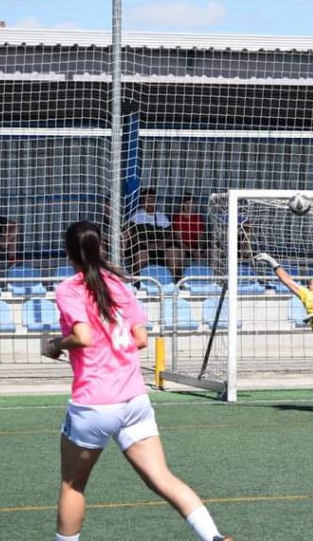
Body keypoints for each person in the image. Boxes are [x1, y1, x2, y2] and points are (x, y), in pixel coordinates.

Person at [42, 221, 231, 541]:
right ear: (100, 247)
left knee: (73, 484)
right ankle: (213, 537)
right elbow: (141, 339)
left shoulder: (69, 288)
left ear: (68, 253)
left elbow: (83, 336)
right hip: (134, 399)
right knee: (162, 477)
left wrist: (55, 346)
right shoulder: (118, 284)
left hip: (95, 402)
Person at [124, 188, 183, 277]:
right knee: (142, 253)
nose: (150, 202)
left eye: (152, 199)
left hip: (159, 248)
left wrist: (162, 244)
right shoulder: (136, 216)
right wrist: (148, 245)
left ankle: (174, 280)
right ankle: (137, 281)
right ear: (142, 201)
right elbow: (132, 235)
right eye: (147, 200)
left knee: (173, 251)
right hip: (143, 246)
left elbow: (170, 235)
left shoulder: (162, 217)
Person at [172, 193, 206, 263]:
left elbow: (201, 237)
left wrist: (198, 250)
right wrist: (191, 251)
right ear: (182, 204)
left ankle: (215, 273)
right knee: (180, 254)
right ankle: (179, 273)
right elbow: (179, 240)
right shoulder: (177, 218)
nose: (189, 206)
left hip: (197, 249)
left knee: (213, 252)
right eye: (186, 203)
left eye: (191, 203)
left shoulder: (198, 218)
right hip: (184, 249)